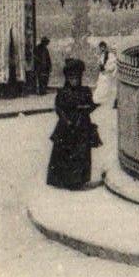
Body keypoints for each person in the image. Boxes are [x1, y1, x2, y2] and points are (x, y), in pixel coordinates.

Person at [46, 58, 100, 190]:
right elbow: (59, 108)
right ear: (67, 78)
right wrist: (67, 120)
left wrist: (87, 107)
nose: (74, 80)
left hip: (82, 125)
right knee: (65, 152)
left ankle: (79, 180)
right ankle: (64, 180)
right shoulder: (63, 92)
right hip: (67, 127)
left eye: (76, 78)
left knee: (82, 153)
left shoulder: (85, 90)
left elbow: (91, 105)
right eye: (71, 78)